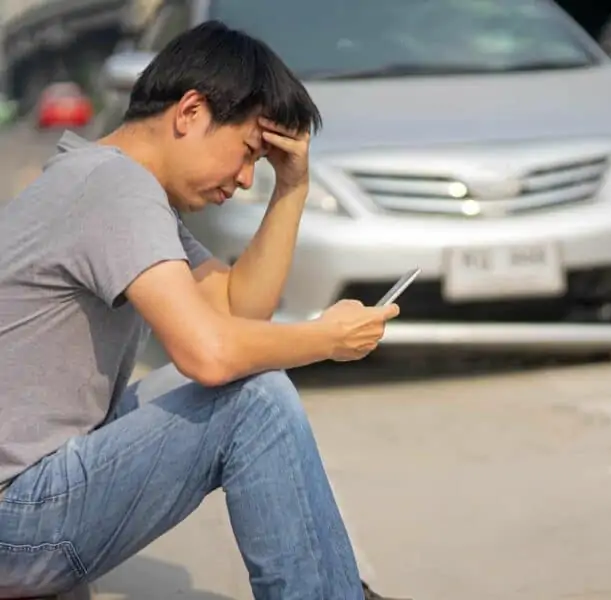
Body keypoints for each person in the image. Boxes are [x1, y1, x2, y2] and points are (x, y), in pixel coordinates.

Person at [0, 20, 408, 600]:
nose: (244, 181)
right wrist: (326, 338)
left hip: (25, 497)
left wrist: (292, 187)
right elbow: (210, 356)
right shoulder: (115, 188)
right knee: (254, 400)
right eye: (246, 153)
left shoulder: (108, 181)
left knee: (245, 380)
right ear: (189, 112)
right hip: (15, 521)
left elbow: (239, 310)